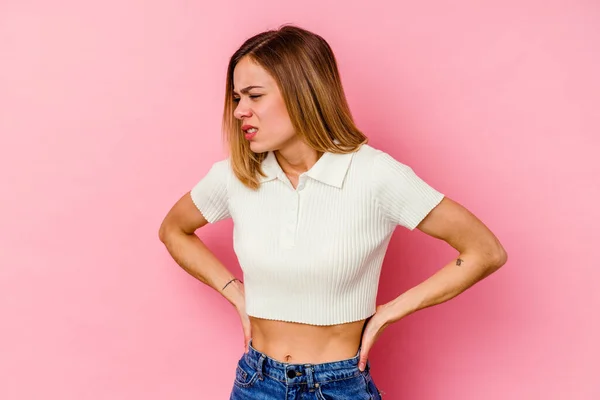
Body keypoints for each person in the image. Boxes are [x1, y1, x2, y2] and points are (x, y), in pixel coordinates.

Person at [158, 24, 507, 399]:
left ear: (302, 93)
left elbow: (485, 251)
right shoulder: (236, 176)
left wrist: (389, 312)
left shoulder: (373, 175)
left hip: (339, 385)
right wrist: (234, 293)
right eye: (237, 97)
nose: (241, 111)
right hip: (256, 382)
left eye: (254, 96)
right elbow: (173, 229)